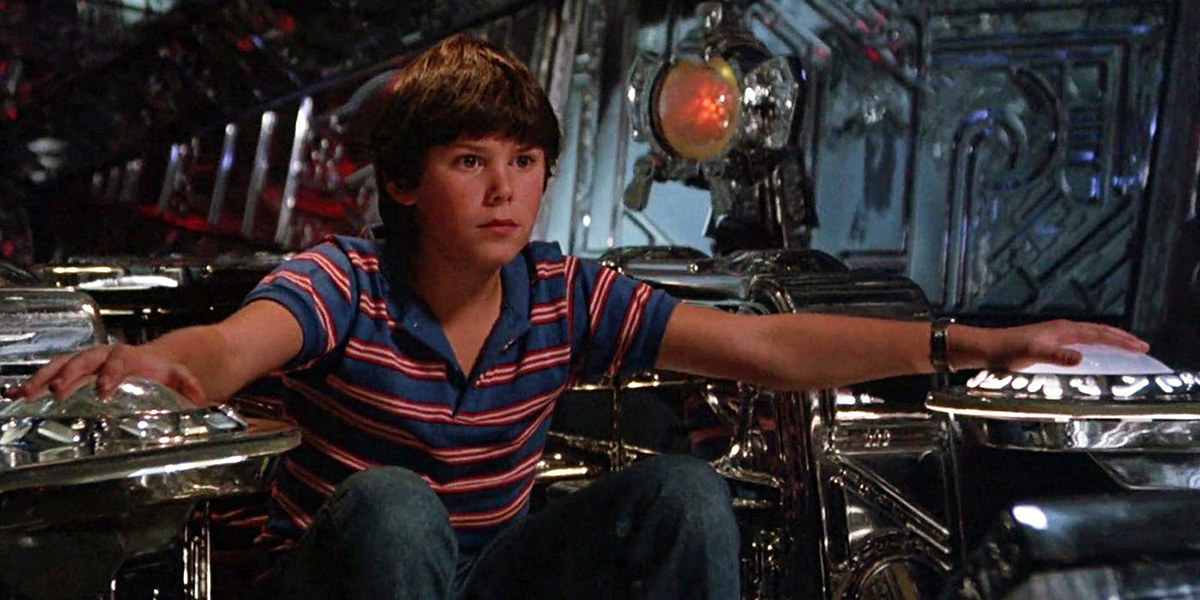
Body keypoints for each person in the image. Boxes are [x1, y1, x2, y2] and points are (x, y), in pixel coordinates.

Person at [8, 35, 1148, 600]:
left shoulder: (562, 290)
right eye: (470, 162)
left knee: (683, 494)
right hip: (339, 576)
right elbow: (229, 347)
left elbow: (765, 345)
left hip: (488, 574)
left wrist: (976, 342)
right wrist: (153, 363)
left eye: (524, 163)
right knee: (398, 506)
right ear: (405, 183)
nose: (504, 190)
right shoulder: (344, 280)